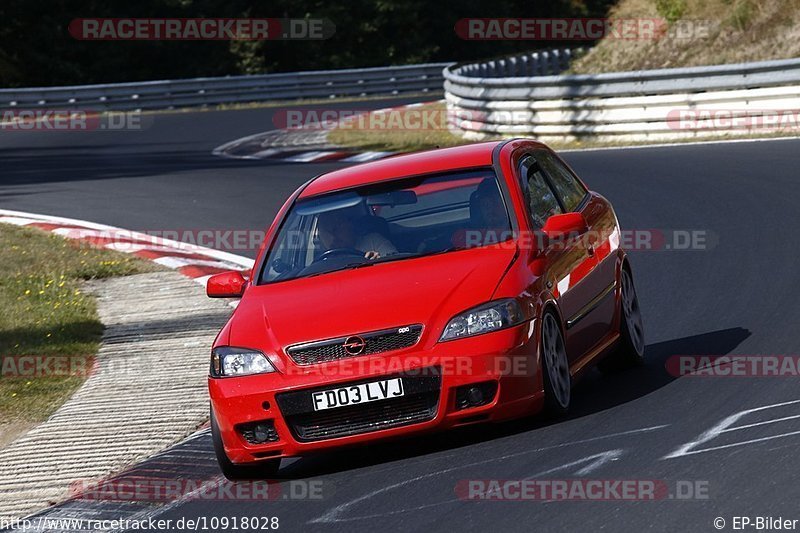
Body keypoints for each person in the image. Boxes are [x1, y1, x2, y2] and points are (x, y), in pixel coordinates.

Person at [317, 210, 397, 260]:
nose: (332, 236)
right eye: (327, 232)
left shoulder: (373, 242)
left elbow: (395, 265)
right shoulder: (321, 263)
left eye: (336, 228)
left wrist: (378, 262)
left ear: (349, 225)